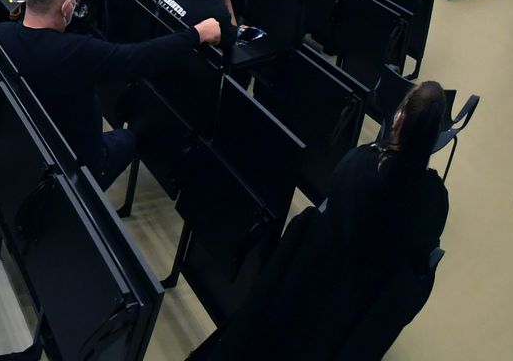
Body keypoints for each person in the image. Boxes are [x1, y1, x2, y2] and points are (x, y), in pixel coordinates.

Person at [187, 81, 450, 361]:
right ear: (433, 137)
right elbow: (419, 263)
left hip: (310, 280)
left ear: (398, 119)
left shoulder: (358, 163)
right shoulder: (434, 199)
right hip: (356, 315)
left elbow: (334, 198)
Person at [0, 0, 221, 186]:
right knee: (131, 135)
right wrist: (196, 33)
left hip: (26, 146)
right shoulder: (77, 52)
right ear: (66, 8)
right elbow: (141, 57)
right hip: (78, 168)